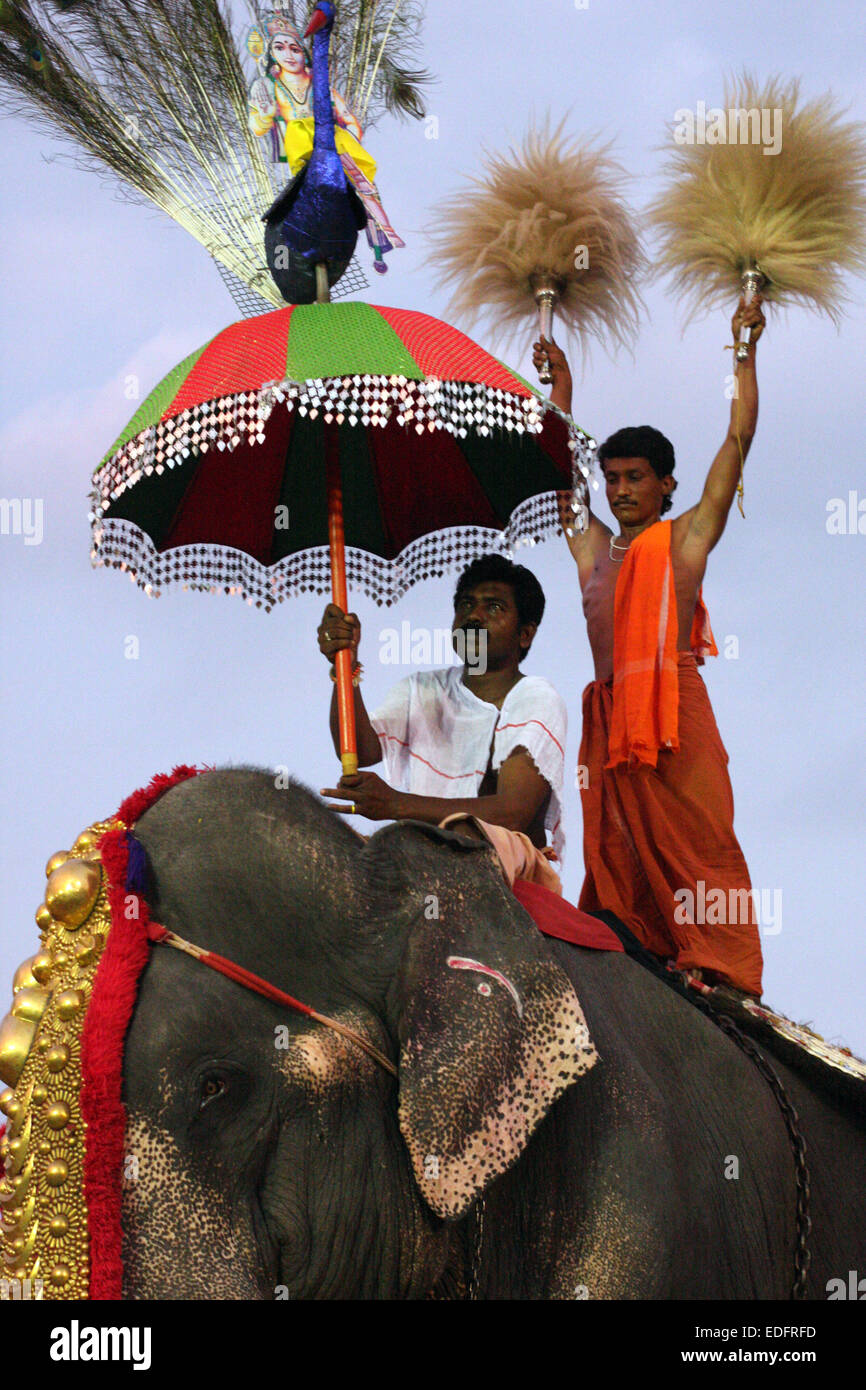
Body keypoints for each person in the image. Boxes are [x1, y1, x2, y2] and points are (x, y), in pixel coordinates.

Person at [532, 296, 767, 998]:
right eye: (613, 477)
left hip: (675, 708)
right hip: (613, 721)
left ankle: (721, 968)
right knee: (617, 845)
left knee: (700, 837)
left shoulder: (688, 538)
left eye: (635, 478)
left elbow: (738, 441)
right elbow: (559, 473)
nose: (621, 489)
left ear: (665, 484)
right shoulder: (595, 548)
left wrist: (745, 352)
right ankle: (632, 953)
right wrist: (561, 388)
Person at [318, 554, 567, 862]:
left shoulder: (535, 696)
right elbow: (359, 750)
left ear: (525, 634)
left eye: (493, 607)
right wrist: (346, 664)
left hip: (508, 888)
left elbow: (512, 813)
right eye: (465, 604)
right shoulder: (422, 688)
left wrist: (396, 805)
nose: (473, 616)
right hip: (422, 867)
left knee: (460, 836)